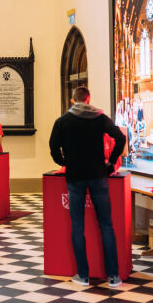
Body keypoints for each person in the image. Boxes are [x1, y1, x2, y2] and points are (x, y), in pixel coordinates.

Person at [49, 86, 126, 288]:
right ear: (88, 99)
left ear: (73, 101)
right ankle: (113, 277)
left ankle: (83, 276)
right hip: (98, 175)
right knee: (106, 226)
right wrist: (111, 162)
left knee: (78, 226)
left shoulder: (62, 121)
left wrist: (64, 162)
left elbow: (53, 147)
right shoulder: (100, 118)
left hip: (75, 176)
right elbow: (121, 137)